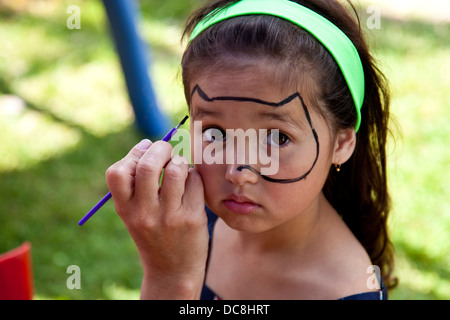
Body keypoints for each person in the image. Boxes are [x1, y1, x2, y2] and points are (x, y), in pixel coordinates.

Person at [105, 0, 397, 299]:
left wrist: (170, 278)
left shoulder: (346, 292)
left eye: (277, 138)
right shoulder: (189, 225)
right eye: (215, 133)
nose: (237, 173)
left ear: (342, 143)